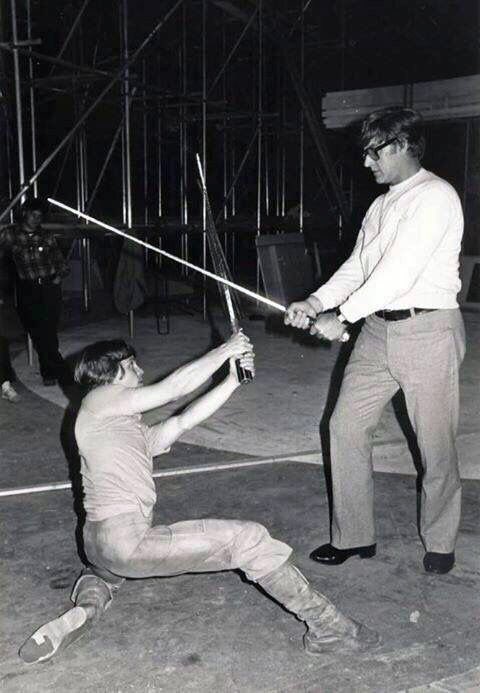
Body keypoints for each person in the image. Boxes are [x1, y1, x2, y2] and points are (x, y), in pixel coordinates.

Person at [19, 335, 379, 664]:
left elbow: (181, 422)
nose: (141, 370)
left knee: (109, 572)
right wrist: (226, 350)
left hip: (98, 546)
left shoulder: (116, 426)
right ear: (109, 374)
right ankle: (331, 629)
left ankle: (88, 606)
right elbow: (173, 389)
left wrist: (231, 381)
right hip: (127, 543)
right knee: (248, 539)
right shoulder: (98, 399)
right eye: (131, 366)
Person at [285, 107, 465, 576]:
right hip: (377, 331)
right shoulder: (382, 204)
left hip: (427, 330)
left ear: (401, 145)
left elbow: (398, 273)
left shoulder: (435, 196)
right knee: (344, 426)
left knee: (435, 445)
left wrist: (341, 315)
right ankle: (354, 537)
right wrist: (315, 301)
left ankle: (440, 541)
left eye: (374, 152)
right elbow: (359, 266)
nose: (367, 162)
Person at [0, 197, 70, 386]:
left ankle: (50, 372)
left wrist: (57, 278)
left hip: (49, 287)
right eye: (33, 215)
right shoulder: (11, 235)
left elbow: (61, 263)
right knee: (37, 331)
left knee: (49, 331)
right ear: (25, 213)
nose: (36, 219)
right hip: (27, 289)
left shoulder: (46, 236)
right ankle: (60, 368)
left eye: (39, 216)